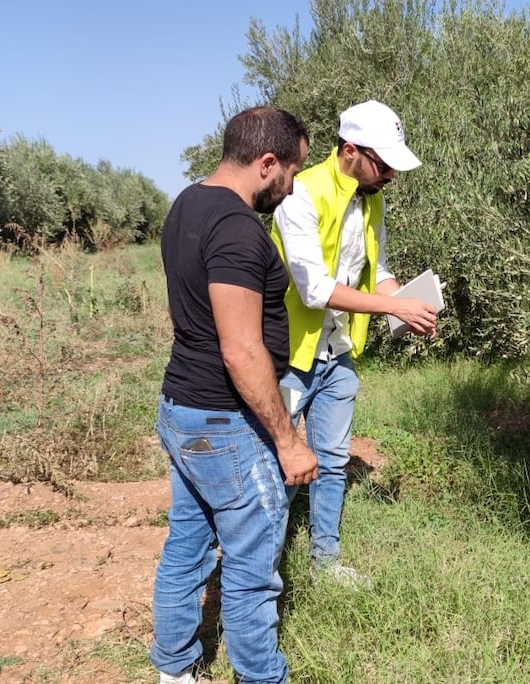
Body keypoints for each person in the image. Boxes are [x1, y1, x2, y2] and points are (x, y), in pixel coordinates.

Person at [151, 106, 317, 684]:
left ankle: (174, 670)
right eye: (291, 172)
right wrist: (288, 441)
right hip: (224, 423)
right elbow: (241, 350)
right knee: (251, 569)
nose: (291, 186)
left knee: (187, 548)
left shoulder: (186, 204)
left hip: (181, 409)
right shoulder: (238, 228)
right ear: (267, 163)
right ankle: (262, 677)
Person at [271, 100, 437, 585]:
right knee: (280, 461)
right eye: (383, 164)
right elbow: (315, 290)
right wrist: (393, 308)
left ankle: (326, 563)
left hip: (337, 351)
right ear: (349, 151)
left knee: (334, 460)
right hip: (290, 354)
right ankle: (264, 566)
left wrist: (413, 303)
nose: (390, 175)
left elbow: (376, 271)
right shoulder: (300, 193)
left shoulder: (373, 197)